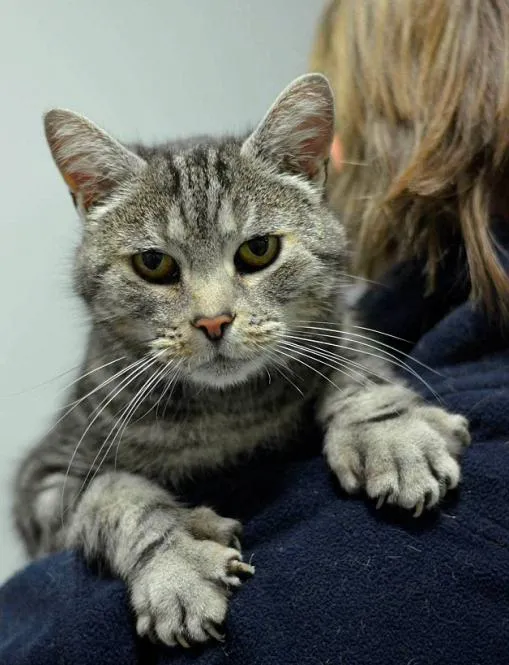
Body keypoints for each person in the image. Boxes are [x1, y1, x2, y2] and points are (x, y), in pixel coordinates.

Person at [1, 2, 508, 664]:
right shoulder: (114, 387)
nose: (214, 314)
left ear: (320, 163)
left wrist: (368, 407)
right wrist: (141, 529)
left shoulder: (342, 349)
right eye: (155, 264)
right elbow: (42, 495)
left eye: (256, 253)